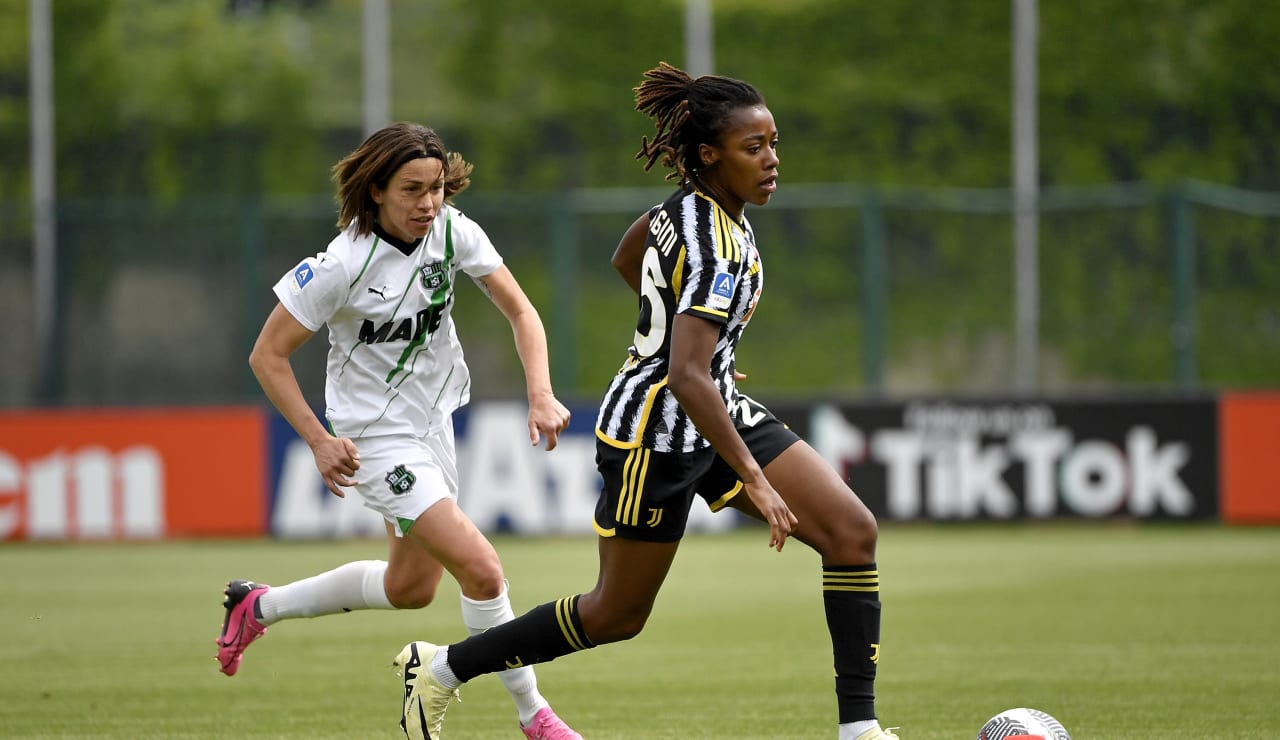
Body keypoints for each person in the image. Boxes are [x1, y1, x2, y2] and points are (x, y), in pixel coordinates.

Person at [393, 63, 898, 740]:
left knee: (851, 533)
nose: (773, 160)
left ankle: (859, 732)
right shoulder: (714, 244)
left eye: (774, 143)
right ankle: (442, 667)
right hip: (652, 439)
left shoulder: (690, 211)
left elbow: (629, 258)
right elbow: (685, 377)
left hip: (710, 411)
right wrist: (748, 466)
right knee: (614, 616)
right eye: (756, 148)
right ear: (710, 155)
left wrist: (687, 346)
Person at [215, 122, 582, 740]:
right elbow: (266, 356)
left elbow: (521, 310)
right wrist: (318, 440)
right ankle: (534, 715)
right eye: (412, 189)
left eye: (437, 187)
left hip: (436, 424)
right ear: (376, 190)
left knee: (410, 588)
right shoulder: (341, 265)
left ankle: (259, 606)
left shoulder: (451, 231)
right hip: (376, 441)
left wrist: (540, 392)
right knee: (483, 571)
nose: (428, 203)